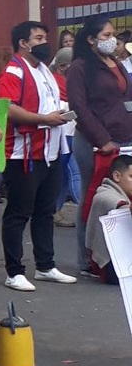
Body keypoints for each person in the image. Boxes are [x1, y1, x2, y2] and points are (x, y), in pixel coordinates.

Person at [0, 21, 75, 291]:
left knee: (45, 211)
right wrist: (44, 119)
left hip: (50, 151)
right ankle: (14, 271)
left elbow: (50, 102)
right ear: (23, 43)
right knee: (19, 212)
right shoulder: (14, 70)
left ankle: (45, 265)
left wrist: (61, 114)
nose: (45, 42)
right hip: (23, 154)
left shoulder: (44, 69)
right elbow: (7, 108)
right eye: (38, 37)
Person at [66, 14, 132, 274]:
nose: (112, 40)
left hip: (124, 137)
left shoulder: (115, 62)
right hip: (95, 143)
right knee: (92, 196)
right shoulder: (80, 67)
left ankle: (116, 254)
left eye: (112, 35)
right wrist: (102, 139)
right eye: (106, 36)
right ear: (91, 39)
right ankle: (86, 259)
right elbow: (79, 108)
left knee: (122, 198)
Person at [83, 154, 132, 283]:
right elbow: (121, 206)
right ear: (117, 176)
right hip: (112, 264)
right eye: (131, 177)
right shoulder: (105, 194)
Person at [51, 46, 81, 227]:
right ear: (62, 67)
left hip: (68, 133)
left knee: (64, 175)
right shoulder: (56, 83)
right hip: (64, 134)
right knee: (74, 174)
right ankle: (89, 215)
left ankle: (54, 210)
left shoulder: (64, 80)